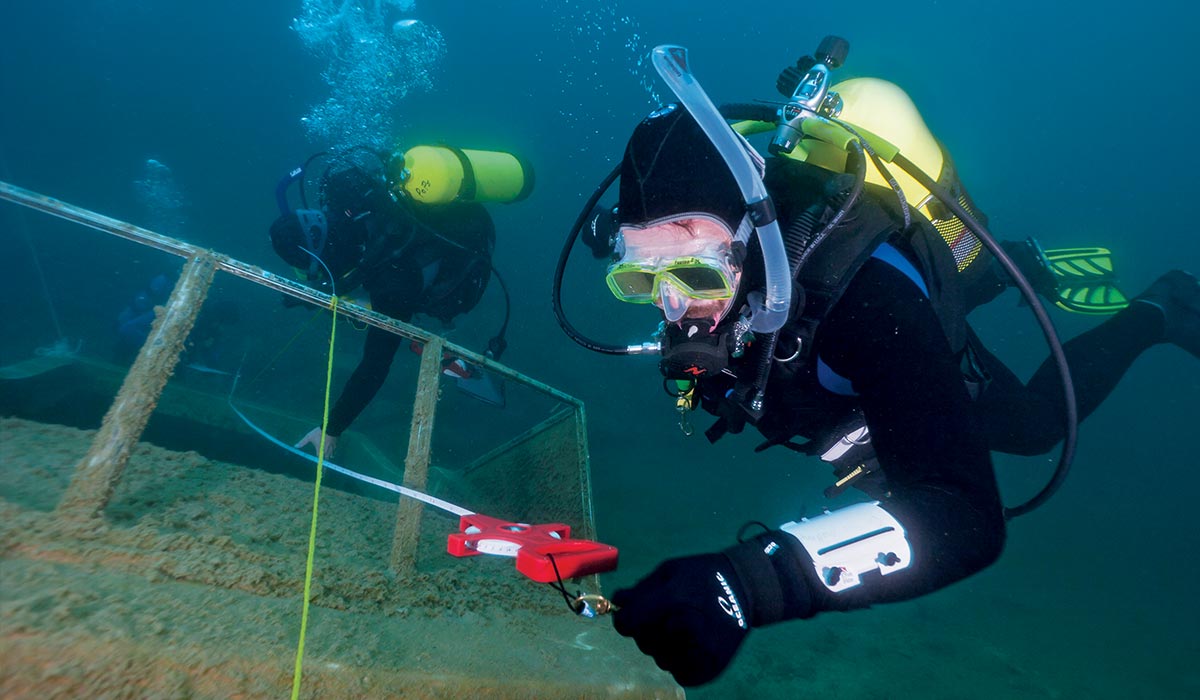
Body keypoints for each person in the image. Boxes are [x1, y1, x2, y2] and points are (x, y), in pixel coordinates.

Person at [558, 41, 1199, 687]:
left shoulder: (870, 302)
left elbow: (965, 517)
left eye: (695, 273)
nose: (675, 310)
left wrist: (751, 583)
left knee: (1032, 428)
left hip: (896, 310)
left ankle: (1158, 309)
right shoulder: (703, 270)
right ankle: (1012, 264)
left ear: (756, 238)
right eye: (640, 281)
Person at [270, 149, 516, 456]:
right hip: (444, 216)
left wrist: (332, 428)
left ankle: (446, 357)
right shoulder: (343, 191)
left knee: (393, 328)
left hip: (461, 255)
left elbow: (375, 366)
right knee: (356, 298)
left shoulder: (393, 281)